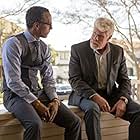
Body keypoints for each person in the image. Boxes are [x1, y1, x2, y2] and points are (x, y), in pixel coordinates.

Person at [2, 6, 81, 140]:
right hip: (14, 96)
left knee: (74, 122)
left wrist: (55, 100)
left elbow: (48, 79)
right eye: (49, 24)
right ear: (37, 25)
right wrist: (37, 104)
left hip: (37, 93)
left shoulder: (44, 48)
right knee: (34, 124)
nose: (51, 28)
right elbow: (13, 82)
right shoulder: (13, 44)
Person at [68, 17, 140, 140]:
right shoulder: (78, 49)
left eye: (100, 36)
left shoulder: (118, 52)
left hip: (109, 95)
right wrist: (94, 96)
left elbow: (124, 80)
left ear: (109, 38)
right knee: (92, 109)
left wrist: (123, 99)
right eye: (94, 33)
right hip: (83, 95)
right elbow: (75, 79)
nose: (95, 38)